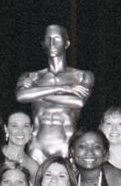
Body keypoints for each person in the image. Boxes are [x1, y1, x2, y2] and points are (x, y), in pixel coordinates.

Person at [15, 24, 94, 161]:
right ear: (43, 44)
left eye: (56, 39)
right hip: (36, 146)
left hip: (66, 145)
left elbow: (78, 102)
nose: (52, 43)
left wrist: (37, 92)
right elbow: (20, 96)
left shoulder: (82, 76)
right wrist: (61, 89)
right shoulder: (32, 76)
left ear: (66, 43)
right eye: (48, 39)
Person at [2, 110, 39, 181]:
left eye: (25, 126)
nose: (20, 131)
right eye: (14, 126)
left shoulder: (33, 166)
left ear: (31, 129)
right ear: (6, 129)